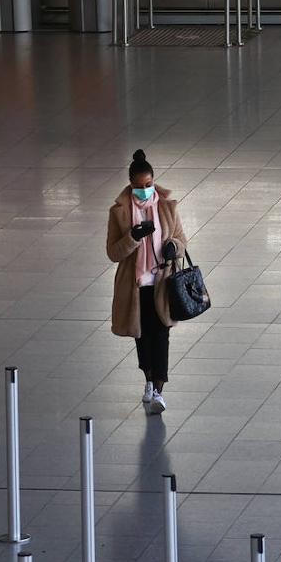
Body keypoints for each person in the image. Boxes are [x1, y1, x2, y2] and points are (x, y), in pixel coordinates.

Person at [106, 150, 188, 415]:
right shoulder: (119, 212)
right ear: (131, 185)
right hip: (136, 285)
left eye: (149, 185)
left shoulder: (166, 207)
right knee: (143, 337)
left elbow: (181, 240)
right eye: (139, 186)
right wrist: (132, 237)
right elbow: (113, 253)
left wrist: (171, 247)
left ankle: (159, 391)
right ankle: (149, 381)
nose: (145, 190)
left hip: (162, 283)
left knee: (161, 334)